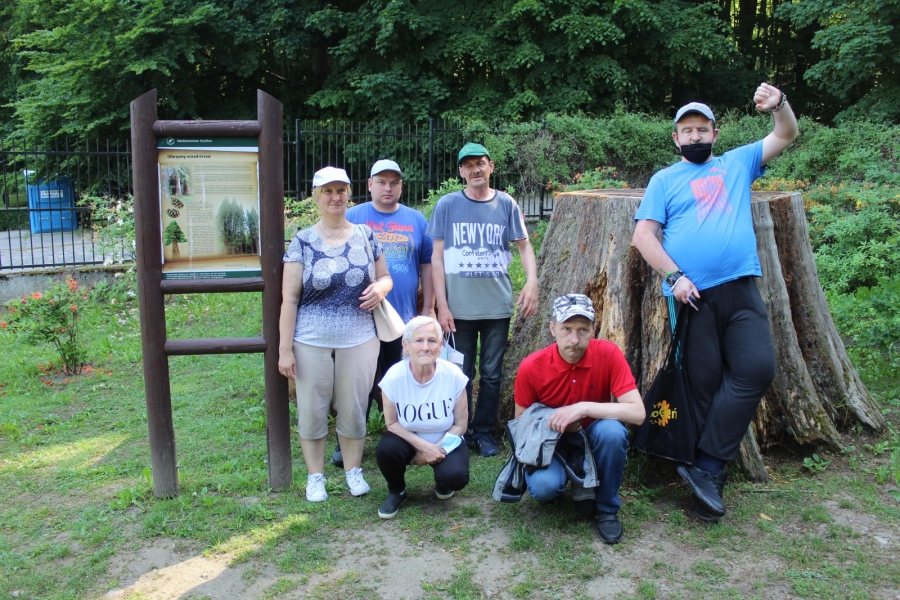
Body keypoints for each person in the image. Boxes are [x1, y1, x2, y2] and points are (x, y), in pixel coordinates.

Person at [632, 84, 799, 523]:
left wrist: (778, 105)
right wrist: (675, 277)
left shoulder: (738, 163)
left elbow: (785, 135)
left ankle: (705, 466)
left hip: (741, 289)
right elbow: (643, 236)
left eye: (701, 129)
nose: (694, 136)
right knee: (703, 385)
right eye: (686, 131)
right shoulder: (664, 180)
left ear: (715, 132)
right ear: (675, 139)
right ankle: (709, 476)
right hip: (692, 299)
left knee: (756, 369)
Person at [278, 166, 393, 502]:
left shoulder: (366, 235)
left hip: (359, 337)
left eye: (340, 190)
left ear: (349, 194)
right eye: (327, 191)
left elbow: (385, 277)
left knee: (354, 406)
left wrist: (382, 289)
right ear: (316, 197)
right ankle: (316, 476)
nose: (335, 197)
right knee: (312, 409)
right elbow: (290, 298)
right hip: (311, 339)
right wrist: (286, 350)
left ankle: (353, 471)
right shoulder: (302, 241)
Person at [426, 142, 539, 457]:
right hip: (458, 310)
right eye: (468, 165)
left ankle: (484, 432)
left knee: (491, 374)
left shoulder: (506, 204)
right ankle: (459, 430)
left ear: (491, 167)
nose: (475, 169)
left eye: (481, 163)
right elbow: (436, 258)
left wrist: (532, 281)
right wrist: (441, 305)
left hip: (496, 308)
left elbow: (525, 247)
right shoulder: (447, 205)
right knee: (459, 373)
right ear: (461, 171)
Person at [327, 159, 434, 467]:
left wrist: (427, 308)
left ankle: (401, 440)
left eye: (394, 183)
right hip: (357, 316)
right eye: (382, 182)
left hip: (399, 318)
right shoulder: (353, 216)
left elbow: (426, 265)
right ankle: (346, 440)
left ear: (401, 186)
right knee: (355, 382)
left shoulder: (416, 220)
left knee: (397, 379)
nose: (388, 188)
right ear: (369, 184)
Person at [513, 294, 645, 544]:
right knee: (544, 488)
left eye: (583, 330)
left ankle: (607, 508)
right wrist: (556, 423)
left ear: (593, 329)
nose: (575, 340)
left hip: (593, 435)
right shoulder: (532, 366)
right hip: (552, 444)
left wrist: (583, 408)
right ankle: (572, 480)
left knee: (612, 432)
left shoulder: (608, 354)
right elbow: (520, 423)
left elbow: (637, 413)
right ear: (553, 328)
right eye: (567, 329)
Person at [375, 316, 470, 519]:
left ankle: (443, 484)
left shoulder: (453, 375)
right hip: (407, 439)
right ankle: (397, 490)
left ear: (440, 345)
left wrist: (437, 449)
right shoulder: (394, 377)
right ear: (406, 345)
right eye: (418, 341)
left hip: (446, 438)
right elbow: (391, 423)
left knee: (456, 476)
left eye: (432, 341)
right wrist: (423, 449)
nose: (425, 347)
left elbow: (460, 425)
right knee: (387, 449)